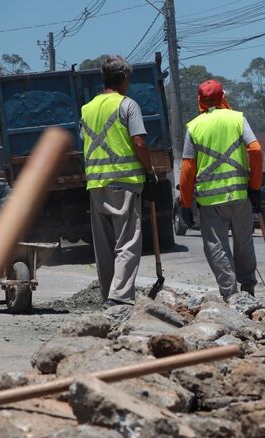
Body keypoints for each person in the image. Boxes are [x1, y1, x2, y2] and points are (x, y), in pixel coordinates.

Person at [178, 79, 263, 299]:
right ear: (223, 96)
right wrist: (255, 187)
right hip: (238, 195)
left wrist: (185, 203)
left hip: (209, 202)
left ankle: (230, 294)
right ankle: (248, 290)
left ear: (200, 100)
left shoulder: (194, 127)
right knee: (243, 242)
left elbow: (187, 168)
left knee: (217, 247)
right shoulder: (237, 118)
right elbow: (255, 149)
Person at [80, 55, 153, 308]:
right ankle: (120, 297)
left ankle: (108, 295)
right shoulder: (127, 105)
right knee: (128, 243)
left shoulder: (87, 109)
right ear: (123, 79)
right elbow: (139, 142)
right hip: (124, 183)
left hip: (96, 185)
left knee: (104, 247)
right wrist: (150, 170)